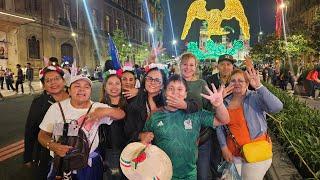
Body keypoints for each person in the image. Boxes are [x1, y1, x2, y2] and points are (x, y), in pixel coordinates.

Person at [141, 74, 230, 179]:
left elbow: (223, 120)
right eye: (171, 89)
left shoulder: (195, 114)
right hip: (161, 174)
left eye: (180, 89)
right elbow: (144, 136)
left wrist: (219, 105)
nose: (175, 93)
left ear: (186, 94)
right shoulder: (155, 116)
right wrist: (142, 137)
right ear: (165, 92)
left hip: (189, 175)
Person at [38, 74, 125, 179]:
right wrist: (52, 146)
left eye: (86, 87)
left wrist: (105, 111)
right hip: (61, 163)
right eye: (77, 86)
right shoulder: (56, 108)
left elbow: (120, 114)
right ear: (69, 91)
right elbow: (42, 135)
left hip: (89, 164)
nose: (82, 89)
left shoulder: (96, 107)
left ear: (90, 92)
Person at [216, 68, 283, 180]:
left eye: (240, 81)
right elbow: (219, 126)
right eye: (233, 81)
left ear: (247, 83)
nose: (236, 83)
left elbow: (277, 107)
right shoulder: (225, 102)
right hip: (234, 155)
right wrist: (224, 148)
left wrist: (259, 86)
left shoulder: (255, 97)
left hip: (256, 153)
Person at [24, 65, 69, 179]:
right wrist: (28, 156)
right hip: (46, 152)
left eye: (56, 79)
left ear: (63, 81)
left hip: (73, 150)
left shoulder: (75, 98)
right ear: (44, 86)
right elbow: (30, 129)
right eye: (48, 81)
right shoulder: (39, 103)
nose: (53, 83)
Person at [99, 72, 127, 179]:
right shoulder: (100, 106)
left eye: (117, 83)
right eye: (110, 84)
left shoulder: (130, 103)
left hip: (129, 148)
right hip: (110, 151)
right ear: (105, 87)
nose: (114, 87)